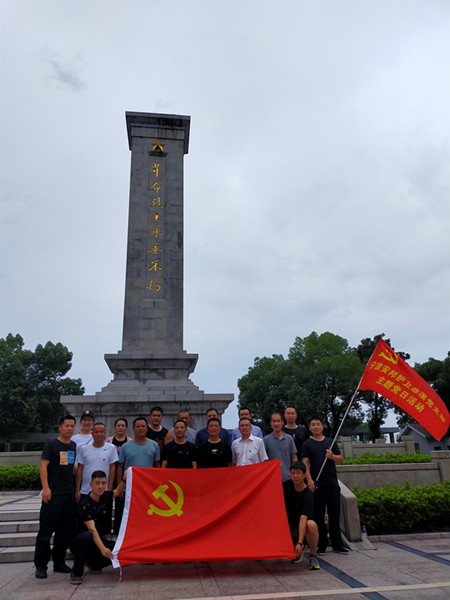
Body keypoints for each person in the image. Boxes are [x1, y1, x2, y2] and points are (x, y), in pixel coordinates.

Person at [34, 415, 77, 579]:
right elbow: (43, 465)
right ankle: (41, 565)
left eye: (72, 426)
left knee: (64, 532)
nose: (70, 429)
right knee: (46, 531)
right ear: (60, 427)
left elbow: (72, 467)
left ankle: (59, 563)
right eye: (67, 426)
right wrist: (46, 488)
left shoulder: (73, 445)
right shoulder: (51, 445)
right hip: (53, 494)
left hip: (68, 494)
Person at [302, 416, 348, 556]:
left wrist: (332, 456)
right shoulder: (307, 444)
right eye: (313, 424)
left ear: (322, 427)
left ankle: (337, 545)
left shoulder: (330, 442)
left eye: (318, 424)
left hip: (332, 484)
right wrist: (309, 480)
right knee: (318, 516)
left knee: (335, 515)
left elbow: (341, 460)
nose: (316, 427)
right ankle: (321, 545)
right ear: (310, 428)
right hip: (317, 485)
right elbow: (305, 464)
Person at [69, 470, 123, 585]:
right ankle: (76, 572)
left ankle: (95, 564)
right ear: (91, 484)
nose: (100, 486)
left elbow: (117, 491)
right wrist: (103, 549)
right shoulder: (85, 503)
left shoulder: (103, 496)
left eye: (103, 483)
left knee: (120, 550)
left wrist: (125, 478)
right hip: (80, 542)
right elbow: (91, 529)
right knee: (87, 536)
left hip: (96, 542)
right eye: (97, 483)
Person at [75, 422, 117, 520]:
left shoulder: (111, 448)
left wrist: (110, 488)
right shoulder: (84, 449)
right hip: (86, 490)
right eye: (96, 432)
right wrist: (78, 489)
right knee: (85, 520)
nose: (99, 434)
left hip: (104, 490)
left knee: (104, 521)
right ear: (92, 433)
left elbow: (112, 468)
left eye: (101, 432)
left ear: (105, 433)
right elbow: (80, 469)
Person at [283, 461, 320, 569]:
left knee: (311, 524)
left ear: (304, 475)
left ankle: (313, 555)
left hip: (302, 528)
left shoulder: (308, 494)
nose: (295, 476)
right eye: (293, 473)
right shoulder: (286, 487)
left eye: (298, 473)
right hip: (288, 527)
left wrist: (299, 542)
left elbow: (303, 518)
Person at [116, 417, 160, 483]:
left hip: (148, 482)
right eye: (138, 427)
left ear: (147, 429)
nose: (140, 428)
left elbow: (157, 465)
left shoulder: (154, 445)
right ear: (133, 429)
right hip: (130, 483)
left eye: (143, 426)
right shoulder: (125, 446)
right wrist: (119, 486)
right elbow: (120, 467)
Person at [106, 418, 131, 534]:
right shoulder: (109, 441)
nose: (120, 427)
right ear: (115, 427)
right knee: (108, 502)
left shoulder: (129, 441)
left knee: (121, 504)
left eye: (123, 425)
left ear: (126, 427)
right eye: (118, 425)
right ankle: (107, 532)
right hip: (110, 474)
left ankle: (118, 531)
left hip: (123, 477)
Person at [264, 413, 297, 482]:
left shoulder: (289, 438)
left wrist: (295, 471)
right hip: (272, 478)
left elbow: (294, 457)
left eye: (278, 421)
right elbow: (264, 460)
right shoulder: (266, 440)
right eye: (274, 421)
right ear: (271, 423)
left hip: (288, 477)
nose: (276, 424)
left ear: (282, 422)